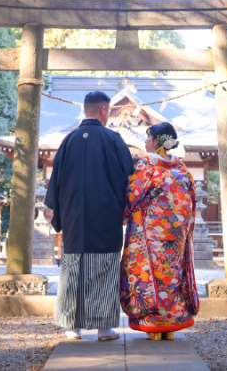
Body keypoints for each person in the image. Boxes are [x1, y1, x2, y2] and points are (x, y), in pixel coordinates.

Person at [44, 91, 135, 341]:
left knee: (73, 267)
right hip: (106, 217)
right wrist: (126, 211)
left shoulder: (69, 140)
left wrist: (54, 209)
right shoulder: (114, 139)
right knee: (105, 267)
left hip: (73, 217)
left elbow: (56, 180)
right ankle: (104, 328)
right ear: (104, 110)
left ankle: (72, 328)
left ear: (86, 109)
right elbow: (129, 178)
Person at [120, 122, 200, 340]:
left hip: (149, 236)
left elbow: (132, 196)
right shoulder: (182, 168)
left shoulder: (146, 166)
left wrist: (123, 217)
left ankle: (154, 325)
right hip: (177, 236)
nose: (145, 141)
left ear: (157, 141)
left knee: (150, 275)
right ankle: (171, 326)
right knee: (173, 276)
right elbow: (191, 201)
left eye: (148, 137)